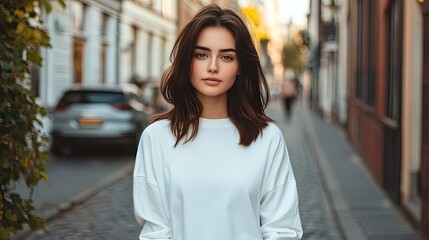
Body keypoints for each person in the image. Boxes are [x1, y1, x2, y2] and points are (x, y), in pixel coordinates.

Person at [133, 4, 303, 240]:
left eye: (226, 56)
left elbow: (283, 229)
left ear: (240, 66)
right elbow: (155, 232)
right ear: (187, 61)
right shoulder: (157, 137)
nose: (213, 67)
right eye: (201, 54)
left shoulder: (267, 138)